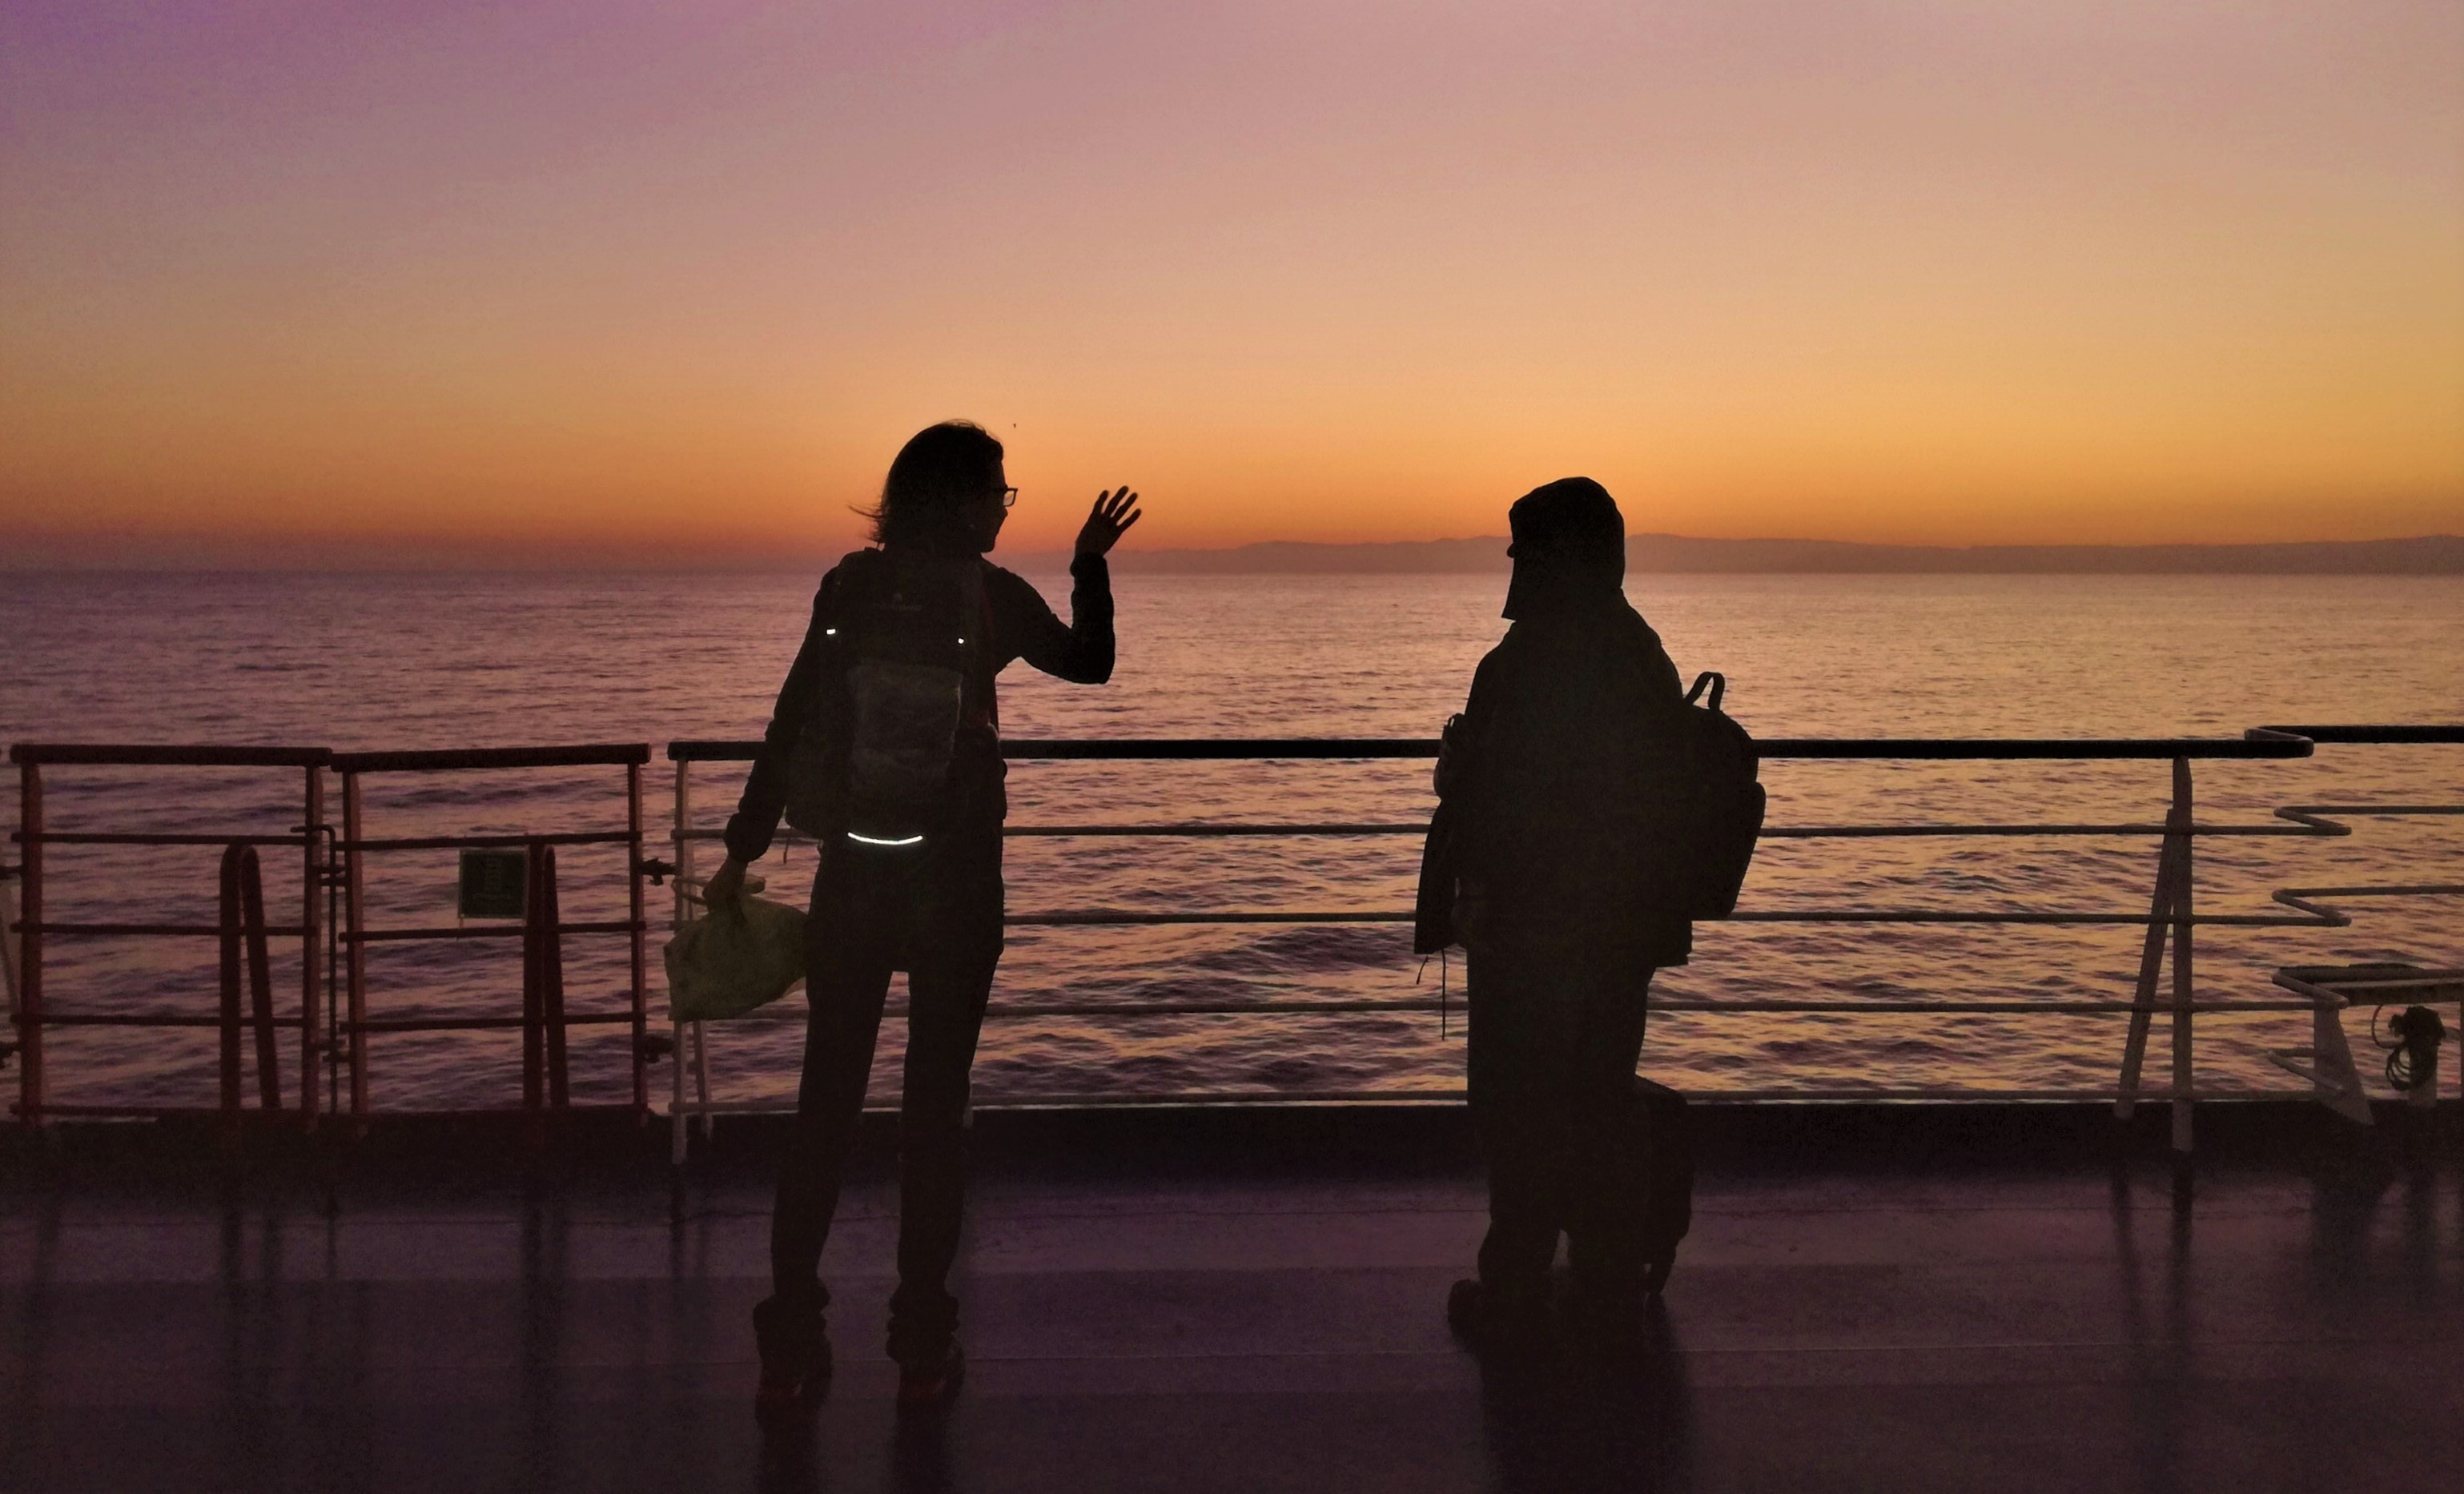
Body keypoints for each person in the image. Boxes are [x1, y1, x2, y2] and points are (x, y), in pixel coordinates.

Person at [703, 420, 1140, 1420]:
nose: (1001, 504)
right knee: (933, 1114)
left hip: (854, 878)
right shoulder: (992, 598)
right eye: (995, 490)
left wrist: (742, 846)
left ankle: (789, 1347)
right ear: (956, 498)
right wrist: (1087, 565)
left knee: (824, 1108)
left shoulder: (850, 589)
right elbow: (1091, 667)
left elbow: (792, 714)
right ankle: (919, 1347)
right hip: (955, 885)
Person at [1435, 476, 1691, 1350]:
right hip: (1621, 925)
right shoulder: (1638, 649)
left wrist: (1457, 771)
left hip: (1533, 924)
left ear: (1549, 556)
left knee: (1519, 1107)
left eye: (1522, 549)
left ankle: (1512, 1290)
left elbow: (1496, 797)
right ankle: (1605, 1279)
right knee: (1598, 1102)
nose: (1513, 567)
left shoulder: (1525, 660)